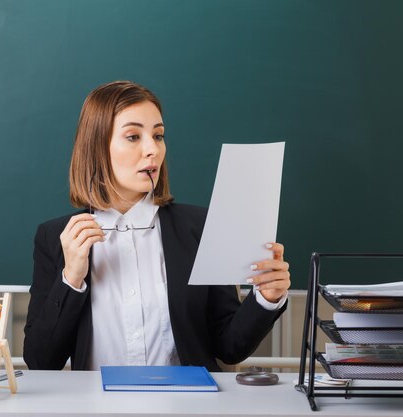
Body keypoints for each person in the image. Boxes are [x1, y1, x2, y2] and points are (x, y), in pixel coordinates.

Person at [23, 81, 291, 371]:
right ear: (97, 146)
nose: (153, 150)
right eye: (133, 136)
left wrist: (266, 297)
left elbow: (229, 347)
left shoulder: (200, 228)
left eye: (159, 135)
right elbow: (41, 360)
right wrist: (71, 279)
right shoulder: (55, 237)